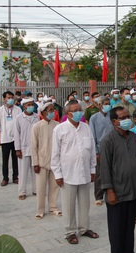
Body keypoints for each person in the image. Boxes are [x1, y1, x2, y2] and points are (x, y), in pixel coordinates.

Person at [100, 107, 136, 253]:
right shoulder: (108, 141)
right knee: (117, 227)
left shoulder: (133, 136)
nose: (127, 119)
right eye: (123, 117)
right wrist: (109, 190)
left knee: (129, 225)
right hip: (117, 191)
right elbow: (104, 168)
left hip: (133, 188)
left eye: (128, 116)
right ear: (114, 122)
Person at [51, 100, 98, 244]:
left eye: (80, 110)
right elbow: (55, 154)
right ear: (68, 113)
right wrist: (57, 174)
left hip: (84, 171)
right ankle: (70, 231)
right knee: (68, 204)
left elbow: (91, 150)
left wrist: (92, 169)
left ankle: (84, 228)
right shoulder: (60, 129)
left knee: (85, 203)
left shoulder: (86, 127)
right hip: (67, 174)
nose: (79, 112)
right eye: (75, 110)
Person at [31, 101, 61, 219]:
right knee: (41, 187)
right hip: (42, 161)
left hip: (54, 161)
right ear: (43, 112)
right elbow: (34, 146)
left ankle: (53, 207)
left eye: (53, 110)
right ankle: (40, 209)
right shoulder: (37, 126)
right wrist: (35, 163)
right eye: (49, 110)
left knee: (54, 186)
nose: (52, 112)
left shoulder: (57, 125)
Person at [89, 97, 114, 206]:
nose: (107, 105)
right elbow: (92, 136)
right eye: (105, 104)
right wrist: (96, 152)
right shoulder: (94, 118)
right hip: (100, 147)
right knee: (99, 173)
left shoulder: (111, 116)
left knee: (112, 171)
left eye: (109, 103)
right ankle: (98, 196)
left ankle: (111, 192)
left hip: (112, 146)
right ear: (100, 105)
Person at [0, 91, 22, 186]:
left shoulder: (18, 109)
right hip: (4, 138)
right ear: (4, 99)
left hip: (16, 138)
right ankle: (5, 178)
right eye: (8, 97)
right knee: (5, 160)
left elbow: (20, 124)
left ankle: (15, 177)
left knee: (16, 159)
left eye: (12, 97)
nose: (10, 99)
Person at [14, 98, 40, 200]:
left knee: (35, 171)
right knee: (23, 171)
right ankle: (22, 191)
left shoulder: (36, 117)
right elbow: (17, 134)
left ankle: (36, 189)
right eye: (28, 105)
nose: (30, 106)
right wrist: (17, 149)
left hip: (35, 148)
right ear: (24, 106)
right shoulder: (19, 118)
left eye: (32, 104)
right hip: (23, 148)